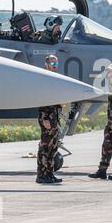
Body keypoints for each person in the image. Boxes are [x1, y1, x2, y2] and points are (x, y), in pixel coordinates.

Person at [36, 55, 63, 184]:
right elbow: (42, 99)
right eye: (52, 62)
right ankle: (41, 175)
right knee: (45, 148)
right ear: (46, 64)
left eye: (56, 62)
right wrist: (45, 118)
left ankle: (49, 174)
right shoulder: (43, 78)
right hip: (46, 118)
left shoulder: (55, 78)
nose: (54, 64)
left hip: (54, 118)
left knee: (53, 148)